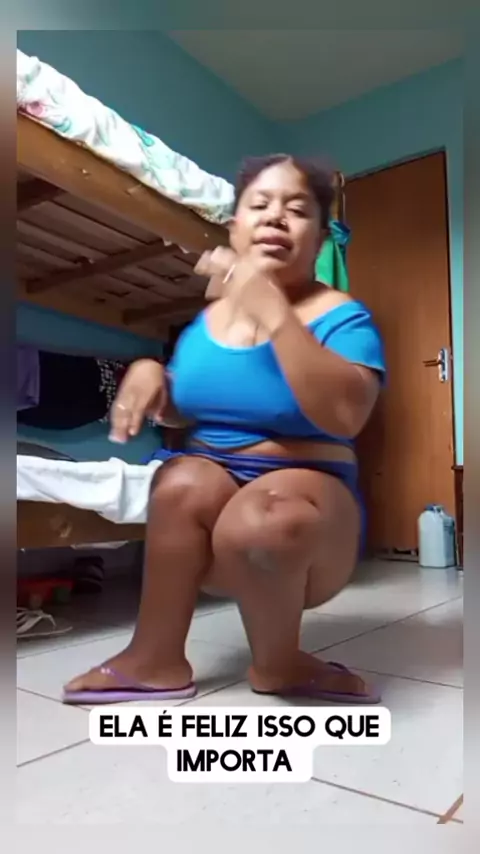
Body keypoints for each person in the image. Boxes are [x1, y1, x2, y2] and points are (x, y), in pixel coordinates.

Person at [63, 154, 386, 705]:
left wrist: (274, 312)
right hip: (213, 534)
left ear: (319, 239)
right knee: (181, 481)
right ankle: (155, 659)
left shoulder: (342, 315)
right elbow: (184, 410)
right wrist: (152, 378)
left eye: (296, 210)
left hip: (304, 530)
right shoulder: (206, 324)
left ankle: (280, 664)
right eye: (260, 205)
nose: (275, 216)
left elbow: (346, 414)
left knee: (265, 514)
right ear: (235, 228)